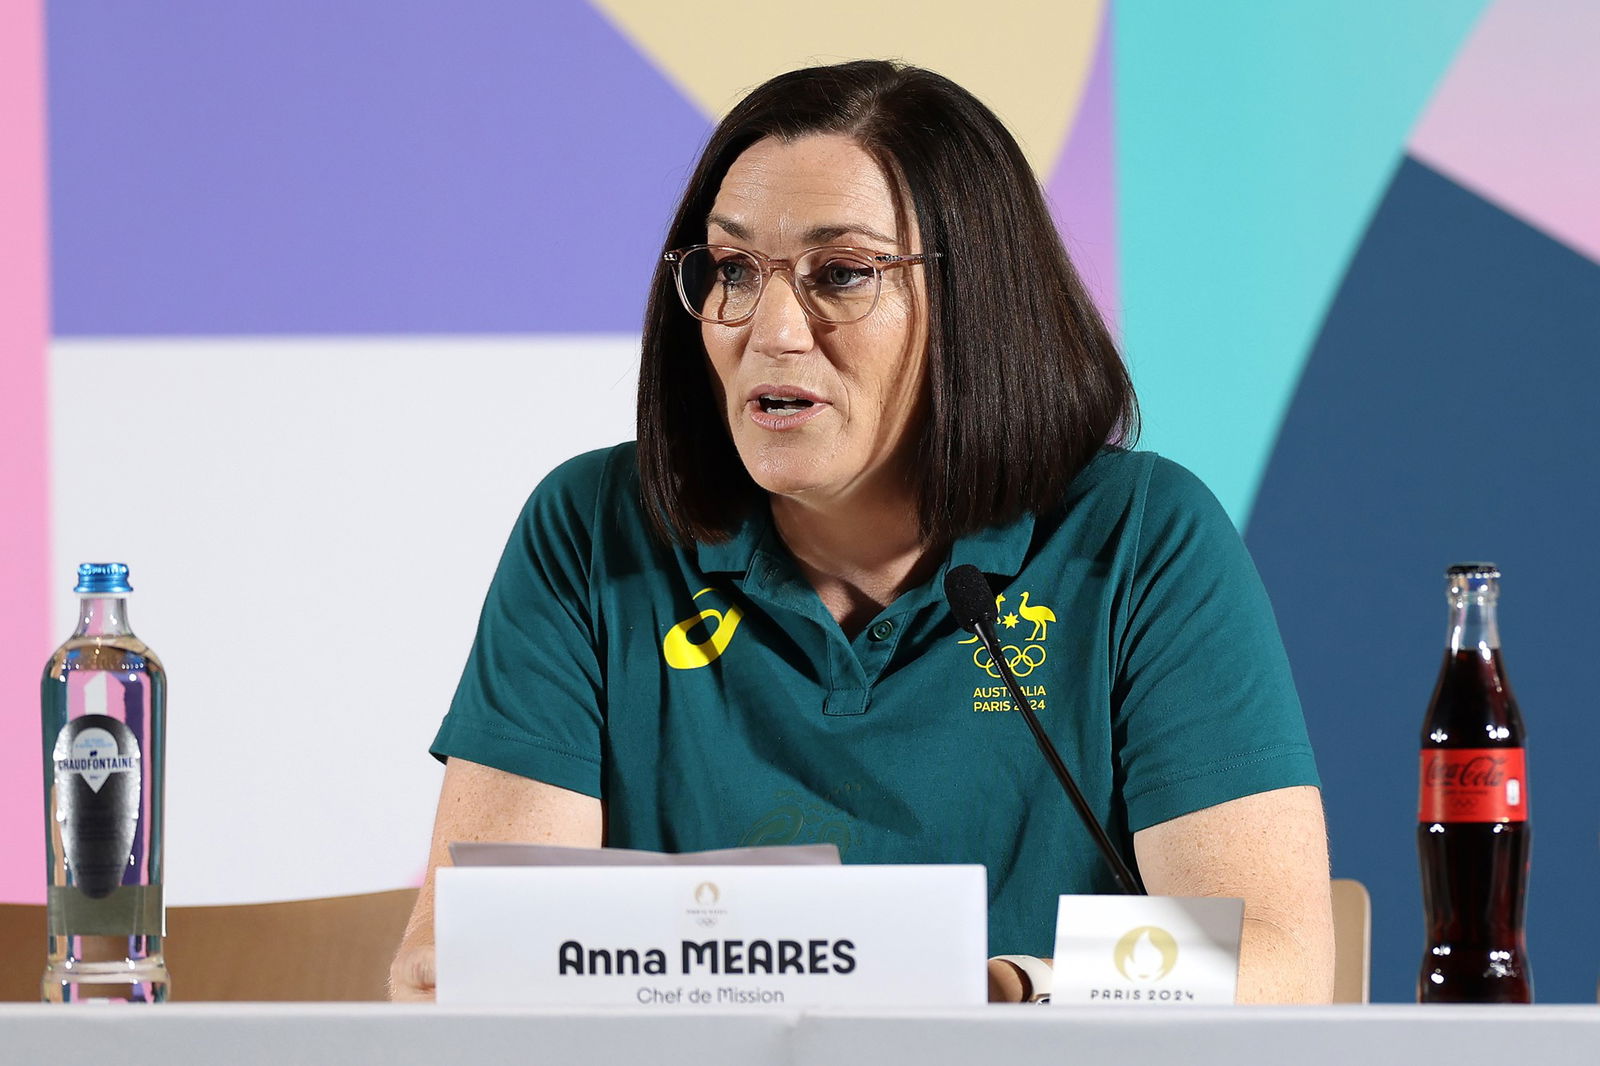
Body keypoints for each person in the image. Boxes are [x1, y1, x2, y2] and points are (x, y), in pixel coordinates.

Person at [391, 60, 1334, 1004]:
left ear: (978, 302)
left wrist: (1006, 990)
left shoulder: (1139, 538)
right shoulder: (593, 528)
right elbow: (459, 968)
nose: (772, 331)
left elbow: (1275, 959)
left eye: (839, 274)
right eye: (731, 270)